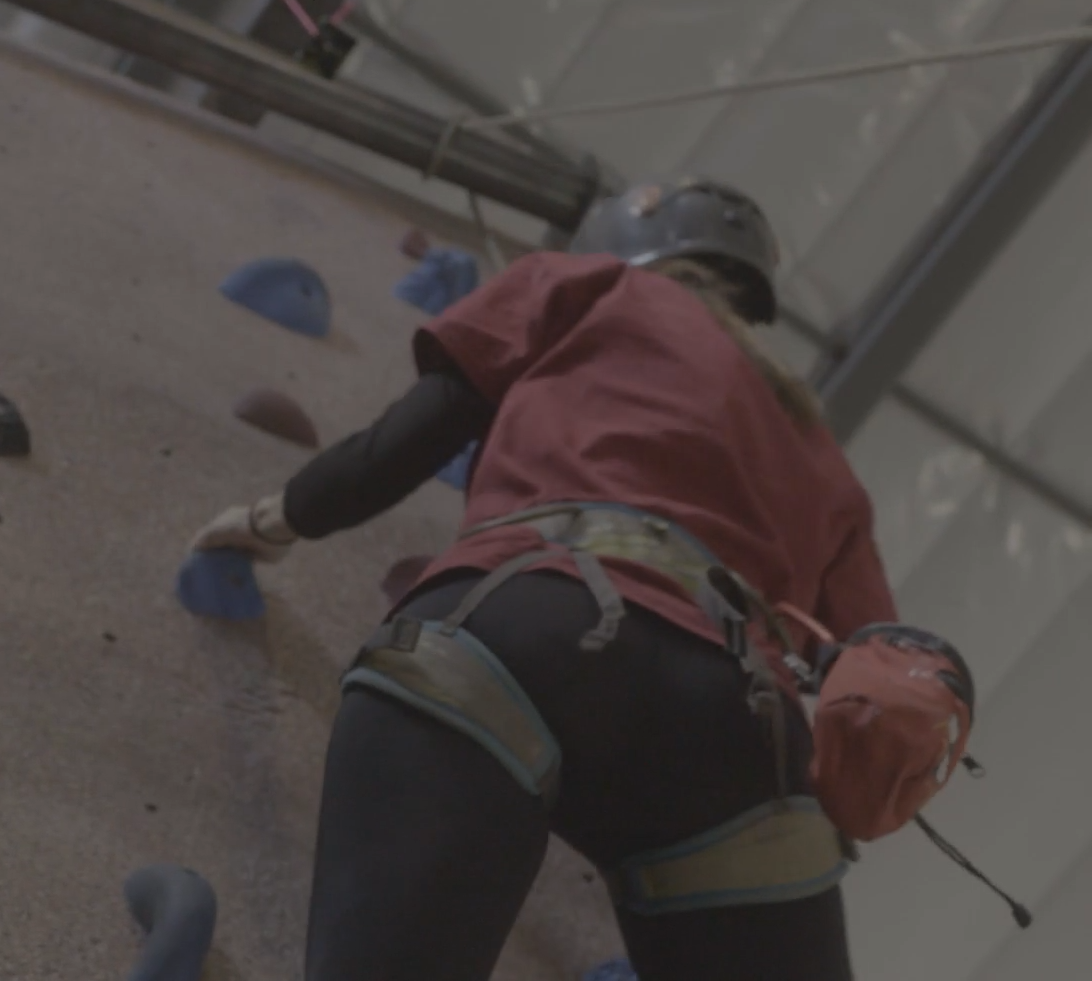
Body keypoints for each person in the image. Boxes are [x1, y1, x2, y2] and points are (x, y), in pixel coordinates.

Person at [192, 178, 893, 981]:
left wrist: (272, 519)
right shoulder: (818, 447)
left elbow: (408, 440)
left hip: (527, 630)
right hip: (736, 727)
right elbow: (864, 681)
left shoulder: (581, 286)